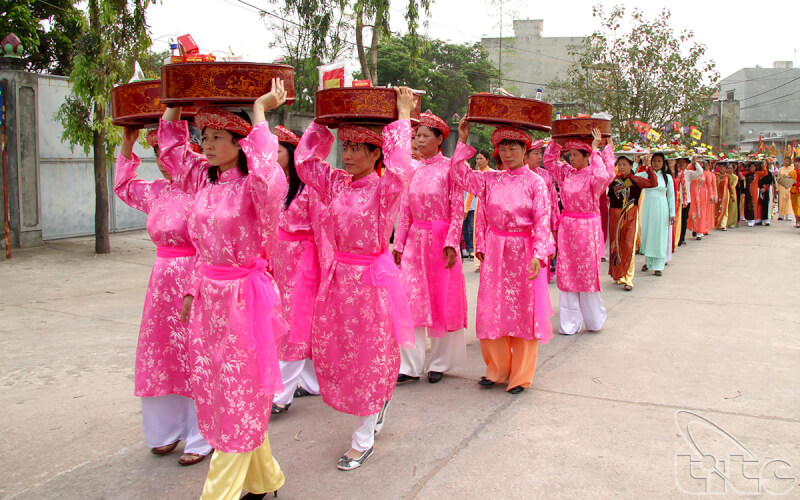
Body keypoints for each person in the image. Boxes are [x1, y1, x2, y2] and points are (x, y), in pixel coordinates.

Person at [159, 81, 289, 499]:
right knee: (221, 388)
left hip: (243, 300)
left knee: (239, 387)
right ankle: (263, 479)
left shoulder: (256, 189)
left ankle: (219, 493)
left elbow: (271, 177)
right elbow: (171, 154)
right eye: (205, 137)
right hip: (208, 301)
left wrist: (259, 113)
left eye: (217, 138)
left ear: (240, 142)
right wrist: (173, 105)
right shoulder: (206, 184)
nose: (207, 145)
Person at [294, 87, 416, 470]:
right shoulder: (335, 183)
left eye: (356, 149)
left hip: (371, 282)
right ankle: (378, 401)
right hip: (337, 280)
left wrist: (402, 117)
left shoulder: (385, 190)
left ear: (376, 154)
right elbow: (304, 163)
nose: (346, 156)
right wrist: (322, 121)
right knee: (339, 353)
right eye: (344, 148)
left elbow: (402, 169)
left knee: (369, 356)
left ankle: (363, 438)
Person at [114, 128, 212, 466]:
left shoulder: (205, 190)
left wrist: (193, 287)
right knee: (163, 354)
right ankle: (167, 431)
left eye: (167, 151)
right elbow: (125, 186)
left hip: (196, 278)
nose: (161, 160)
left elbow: (211, 243)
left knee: (196, 353)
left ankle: (202, 436)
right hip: (161, 283)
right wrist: (127, 143)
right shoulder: (158, 192)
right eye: (156, 153)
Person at [452, 118, 552, 394]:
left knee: (522, 310)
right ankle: (496, 369)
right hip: (496, 251)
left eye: (513, 148)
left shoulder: (536, 182)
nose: (507, 154)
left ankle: (520, 375)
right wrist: (463, 141)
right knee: (491, 308)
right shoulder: (490, 179)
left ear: (525, 149)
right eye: (503, 148)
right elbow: (459, 175)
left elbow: (543, 219)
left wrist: (539, 253)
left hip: (523, 250)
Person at [393, 112, 468, 385]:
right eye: (417, 136)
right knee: (409, 299)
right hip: (415, 241)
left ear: (439, 139)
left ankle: (439, 363)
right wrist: (398, 244)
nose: (420, 140)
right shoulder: (412, 170)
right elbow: (404, 211)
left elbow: (457, 209)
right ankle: (410, 365)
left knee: (441, 301)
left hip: (441, 241)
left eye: (426, 136)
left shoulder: (450, 169)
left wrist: (451, 243)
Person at [270, 126, 323, 415]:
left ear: (292, 154)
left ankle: (282, 394)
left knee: (295, 324)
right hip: (280, 260)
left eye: (277, 150)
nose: (272, 155)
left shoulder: (308, 188)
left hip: (303, 260)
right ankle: (313, 383)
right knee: (299, 322)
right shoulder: (277, 185)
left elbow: (321, 229)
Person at [544, 129, 615, 335]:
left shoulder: (594, 176)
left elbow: (604, 174)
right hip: (568, 226)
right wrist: (556, 142)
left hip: (587, 228)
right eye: (570, 154)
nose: (571, 158)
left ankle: (593, 320)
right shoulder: (566, 172)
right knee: (567, 274)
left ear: (587, 157)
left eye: (576, 154)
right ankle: (569, 323)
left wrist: (597, 150)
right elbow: (549, 162)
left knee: (586, 273)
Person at [607, 154, 656, 290]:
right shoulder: (612, 180)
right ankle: (618, 275)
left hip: (630, 214)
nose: (622, 167)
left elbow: (653, 183)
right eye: (620, 164)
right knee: (616, 245)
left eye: (625, 164)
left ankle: (628, 278)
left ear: (630, 165)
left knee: (629, 244)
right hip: (615, 215)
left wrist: (648, 167)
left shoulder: (636, 180)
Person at [639, 153, 675, 276]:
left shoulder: (668, 178)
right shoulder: (646, 175)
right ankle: (648, 262)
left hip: (662, 209)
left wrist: (672, 213)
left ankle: (659, 265)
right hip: (648, 207)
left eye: (659, 161)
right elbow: (631, 175)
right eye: (654, 160)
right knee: (648, 234)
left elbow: (671, 197)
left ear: (663, 163)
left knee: (660, 235)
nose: (656, 163)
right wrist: (642, 163)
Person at [688, 159, 716, 239]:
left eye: (701, 163)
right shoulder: (690, 172)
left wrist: (712, 195)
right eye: (697, 162)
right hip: (693, 194)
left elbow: (709, 186)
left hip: (703, 195)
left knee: (701, 213)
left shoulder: (706, 174)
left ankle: (700, 231)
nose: (699, 164)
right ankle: (694, 228)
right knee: (692, 212)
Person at [678, 156, 703, 245]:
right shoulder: (674, 173)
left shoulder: (688, 173)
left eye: (683, 162)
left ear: (687, 164)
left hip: (686, 200)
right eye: (679, 162)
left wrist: (695, 163)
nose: (681, 164)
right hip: (676, 200)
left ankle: (682, 238)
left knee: (684, 219)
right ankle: (676, 237)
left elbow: (700, 172)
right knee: (677, 220)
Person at [714, 163, 731, 230]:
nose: (721, 169)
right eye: (720, 167)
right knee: (717, 208)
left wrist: (732, 195)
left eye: (723, 167)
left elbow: (730, 186)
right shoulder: (716, 175)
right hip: (718, 194)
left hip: (725, 194)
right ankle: (717, 223)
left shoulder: (728, 176)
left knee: (724, 208)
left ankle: (723, 224)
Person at [789, 156, 800, 228]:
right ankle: (797, 220)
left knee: (799, 205)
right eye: (795, 162)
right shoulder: (791, 172)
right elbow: (787, 180)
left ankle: (799, 220)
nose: (797, 164)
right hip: (793, 190)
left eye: (798, 162)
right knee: (794, 206)